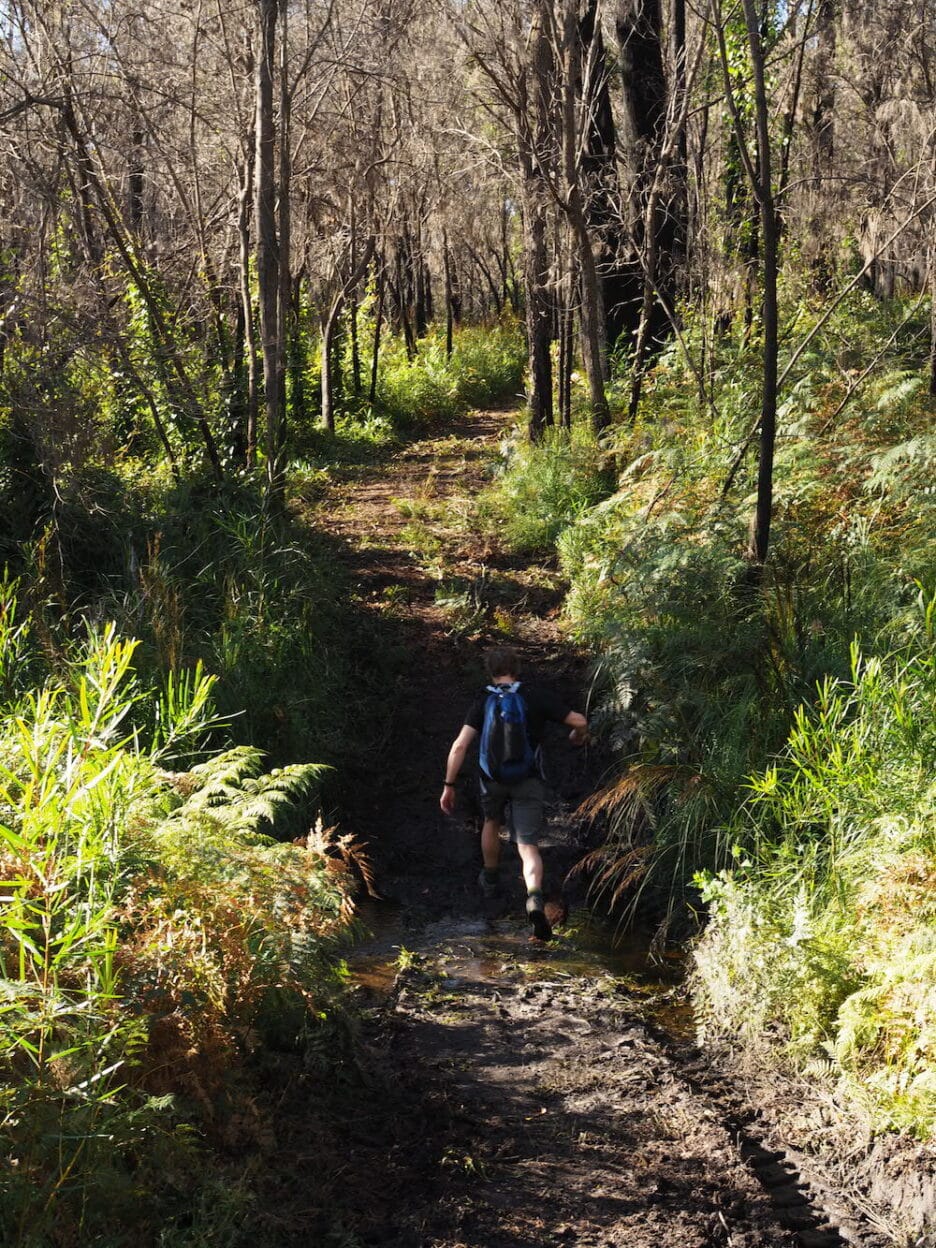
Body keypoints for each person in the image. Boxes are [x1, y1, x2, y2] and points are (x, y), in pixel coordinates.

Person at [439, 646, 588, 941]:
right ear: (517, 669)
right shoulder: (534, 696)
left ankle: (490, 878)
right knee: (527, 844)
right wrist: (577, 736)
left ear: (490, 672)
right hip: (527, 779)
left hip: (491, 779)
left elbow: (459, 746)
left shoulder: (483, 700)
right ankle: (534, 897)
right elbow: (579, 722)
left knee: (491, 823)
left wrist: (449, 785)